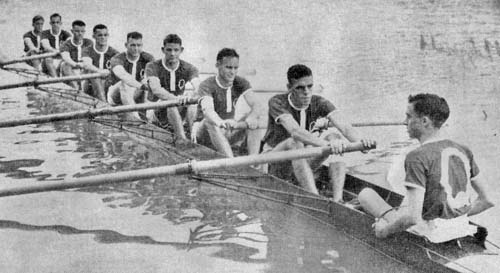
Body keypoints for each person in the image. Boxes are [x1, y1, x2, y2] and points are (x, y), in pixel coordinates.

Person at [359, 93, 494, 241]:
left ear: (424, 121)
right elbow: (488, 200)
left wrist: (383, 231)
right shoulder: (463, 149)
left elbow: (412, 218)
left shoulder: (417, 157)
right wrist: (454, 217)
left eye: (409, 116)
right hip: (462, 227)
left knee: (366, 195)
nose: (405, 122)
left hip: (431, 233)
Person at [262, 64, 374, 200]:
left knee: (334, 137)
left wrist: (362, 143)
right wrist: (326, 146)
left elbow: (345, 128)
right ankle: (315, 199)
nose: (307, 92)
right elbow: (296, 132)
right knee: (295, 142)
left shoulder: (319, 102)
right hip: (275, 162)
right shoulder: (277, 102)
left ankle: (338, 200)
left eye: (310, 86)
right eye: (300, 88)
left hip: (300, 160)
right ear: (289, 88)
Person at [196, 48, 266, 157]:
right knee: (209, 121)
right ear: (218, 65)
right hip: (206, 134)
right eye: (228, 67)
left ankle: (253, 162)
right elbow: (208, 111)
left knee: (254, 119)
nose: (232, 72)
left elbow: (257, 105)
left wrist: (252, 117)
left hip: (226, 131)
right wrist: (220, 122)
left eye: (235, 68)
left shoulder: (240, 82)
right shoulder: (207, 84)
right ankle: (231, 161)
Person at [145, 34, 199, 139]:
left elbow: (199, 87)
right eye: (169, 50)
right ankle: (182, 139)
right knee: (170, 104)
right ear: (163, 50)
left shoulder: (189, 68)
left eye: (176, 50)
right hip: (156, 110)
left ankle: (193, 138)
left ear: (181, 50)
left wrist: (190, 96)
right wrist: (177, 99)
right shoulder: (152, 66)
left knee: (192, 104)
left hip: (176, 108)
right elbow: (157, 90)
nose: (172, 54)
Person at [106, 31, 155, 120]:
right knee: (125, 83)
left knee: (148, 81)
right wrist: (141, 86)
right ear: (126, 45)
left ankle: (148, 115)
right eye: (132, 45)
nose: (136, 49)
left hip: (137, 93)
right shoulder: (117, 58)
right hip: (117, 95)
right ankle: (136, 118)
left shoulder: (148, 58)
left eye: (139, 45)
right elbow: (123, 75)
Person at [80, 24, 119, 100]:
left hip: (107, 83)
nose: (103, 38)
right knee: (93, 73)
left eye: (105, 35)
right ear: (94, 36)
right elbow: (87, 65)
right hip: (89, 84)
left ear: (108, 36)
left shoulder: (114, 53)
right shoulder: (87, 50)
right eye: (100, 35)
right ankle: (103, 103)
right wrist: (100, 71)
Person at [59, 20, 93, 89]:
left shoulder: (89, 42)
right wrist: (76, 64)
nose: (80, 33)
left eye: (82, 31)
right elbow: (66, 58)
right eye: (77, 31)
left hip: (84, 70)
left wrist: (85, 64)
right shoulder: (66, 44)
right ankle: (76, 89)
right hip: (71, 69)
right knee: (65, 64)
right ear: (72, 31)